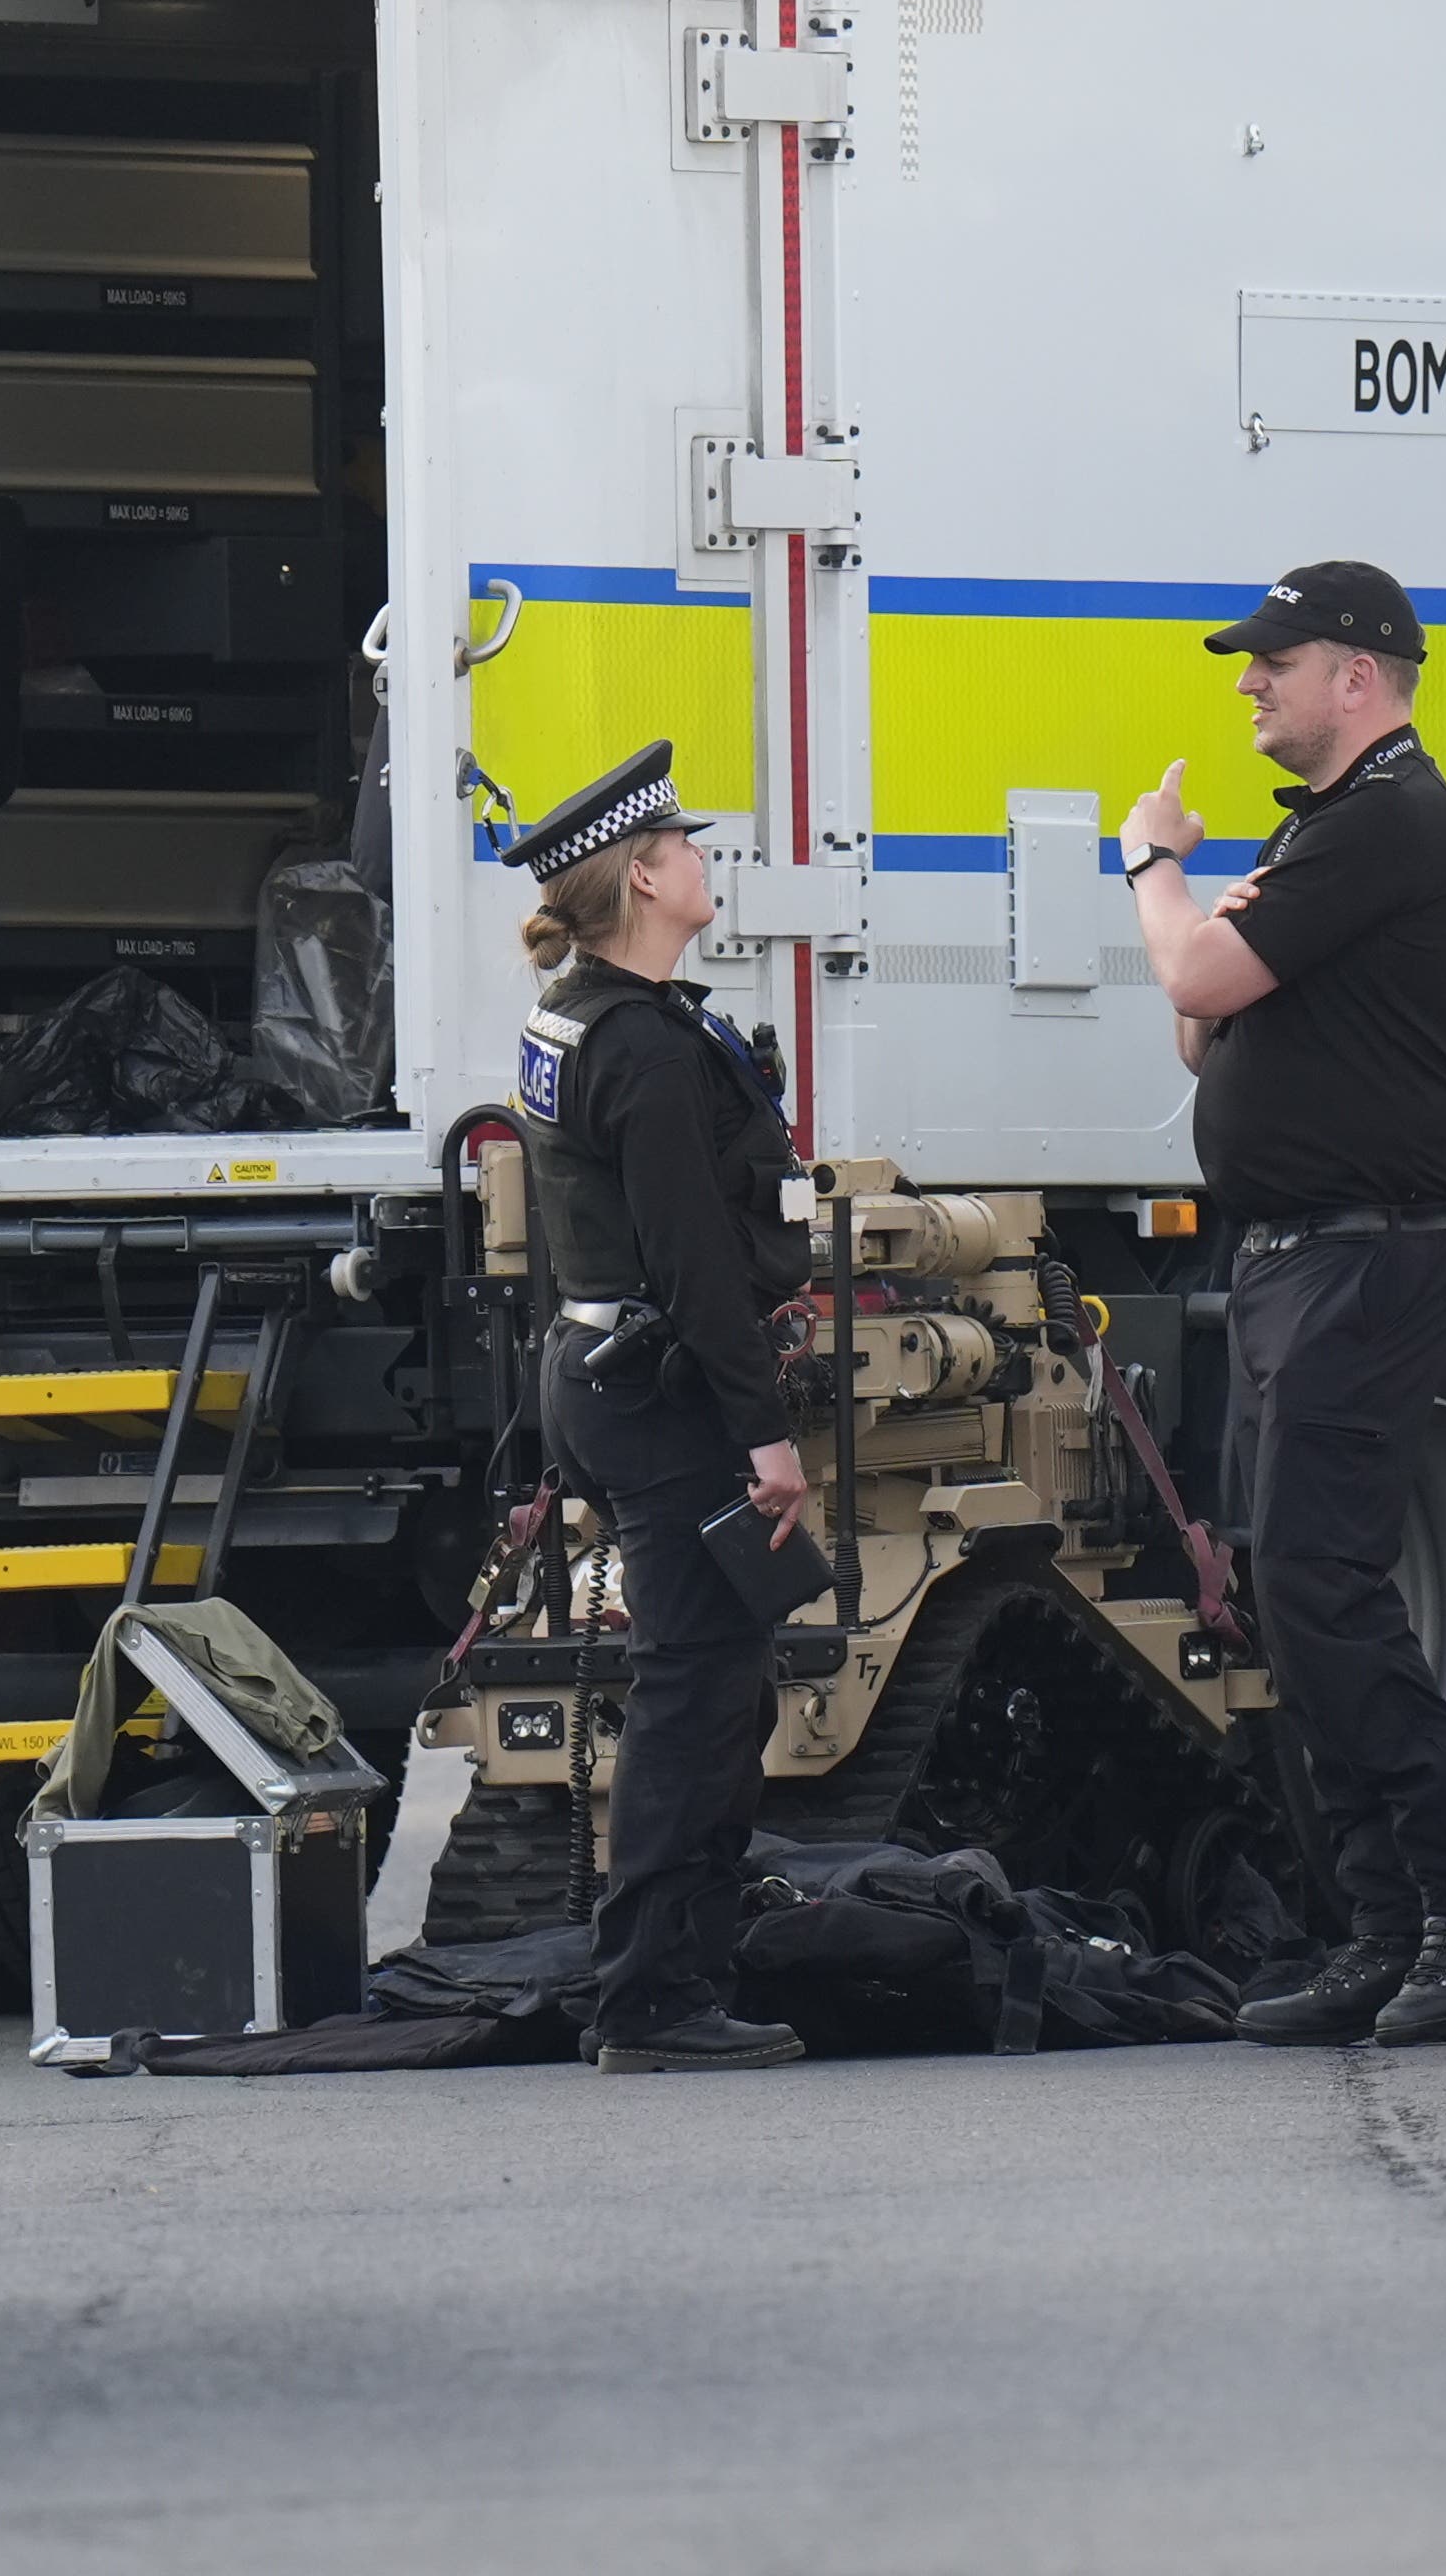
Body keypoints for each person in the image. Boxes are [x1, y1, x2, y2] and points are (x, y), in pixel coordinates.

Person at [1120, 560, 1446, 2049]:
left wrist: (1151, 863)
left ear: (1358, 676)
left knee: (1327, 1591)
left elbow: (1189, 959)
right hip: (1297, 1258)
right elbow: (1205, 1025)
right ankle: (1383, 1929)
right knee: (1290, 1600)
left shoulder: (1394, 822)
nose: (1249, 683)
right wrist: (1202, 946)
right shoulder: (1332, 834)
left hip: (1364, 1259)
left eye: (1275, 663)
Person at [508, 739, 817, 2072]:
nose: (705, 858)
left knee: (716, 1680)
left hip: (601, 1373)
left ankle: (686, 1963)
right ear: (643, 874)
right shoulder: (638, 1044)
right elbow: (691, 1259)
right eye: (686, 845)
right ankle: (649, 2000)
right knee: (693, 1689)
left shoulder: (580, 1015)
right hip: (672, 1395)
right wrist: (768, 1436)